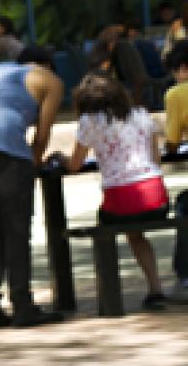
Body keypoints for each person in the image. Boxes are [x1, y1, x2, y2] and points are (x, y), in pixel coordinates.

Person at [0, 46, 66, 328]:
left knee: (3, 228)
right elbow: (42, 136)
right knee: (17, 230)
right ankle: (23, 305)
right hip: (7, 151)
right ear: (47, 65)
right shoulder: (51, 81)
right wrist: (35, 164)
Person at [60, 73, 169, 310]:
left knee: (108, 227)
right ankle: (155, 287)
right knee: (136, 233)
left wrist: (60, 158)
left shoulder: (90, 121)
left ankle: (109, 297)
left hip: (120, 200)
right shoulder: (141, 114)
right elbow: (156, 159)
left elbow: (75, 164)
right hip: (156, 197)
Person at [161, 41, 188, 302]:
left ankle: (185, 276)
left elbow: (172, 142)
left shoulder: (177, 94)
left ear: (182, 68)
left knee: (184, 208)